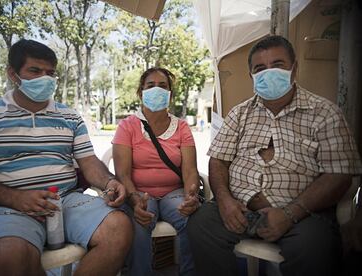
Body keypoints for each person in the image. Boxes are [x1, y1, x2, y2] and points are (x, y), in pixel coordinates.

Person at [0, 39, 132, 276]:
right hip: (10, 206)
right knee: (4, 257)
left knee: (119, 228)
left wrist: (109, 182)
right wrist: (15, 198)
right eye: (35, 70)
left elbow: (89, 162)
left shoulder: (70, 117)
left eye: (50, 73)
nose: (45, 78)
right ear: (13, 74)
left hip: (67, 200)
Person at [187, 35, 362, 276]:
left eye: (278, 65)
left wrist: (291, 213)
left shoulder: (325, 113)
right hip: (239, 209)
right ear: (251, 77)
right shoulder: (240, 114)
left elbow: (339, 174)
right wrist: (226, 202)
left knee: (316, 247)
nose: (269, 73)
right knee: (200, 224)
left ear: (294, 68)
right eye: (260, 68)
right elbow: (218, 160)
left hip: (303, 214)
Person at [112, 67, 199, 275]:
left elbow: (190, 171)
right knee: (139, 222)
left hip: (173, 193)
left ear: (170, 94)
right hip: (139, 193)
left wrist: (191, 197)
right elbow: (122, 173)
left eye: (163, 86)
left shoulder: (182, 127)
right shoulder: (127, 126)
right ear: (141, 92)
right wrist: (134, 200)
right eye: (150, 86)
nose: (157, 90)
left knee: (194, 221)